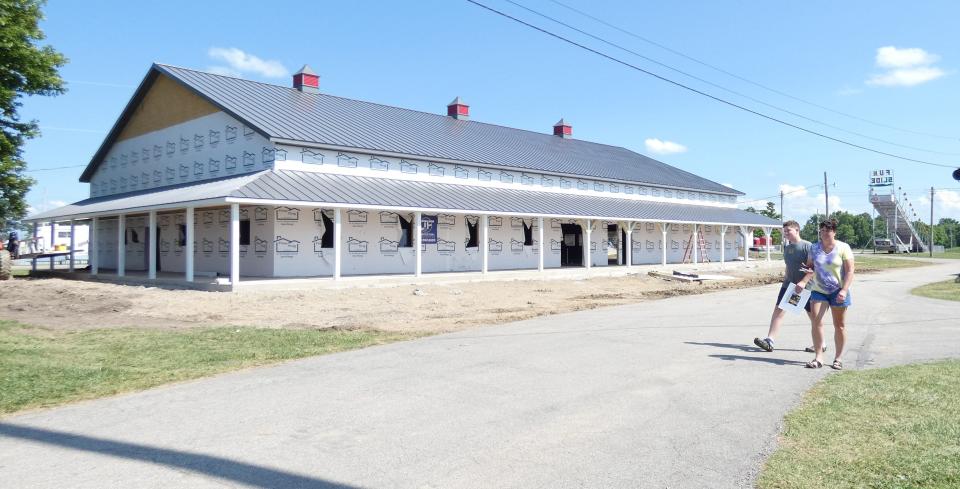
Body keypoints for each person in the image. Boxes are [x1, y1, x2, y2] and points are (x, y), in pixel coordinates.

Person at [800, 219, 855, 370]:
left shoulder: (843, 247)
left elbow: (850, 271)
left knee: (840, 325)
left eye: (827, 231)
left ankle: (838, 358)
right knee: (816, 322)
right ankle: (818, 358)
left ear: (834, 232)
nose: (824, 233)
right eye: (822, 231)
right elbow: (809, 268)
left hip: (838, 291)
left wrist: (844, 290)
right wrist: (804, 281)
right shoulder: (814, 247)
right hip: (818, 290)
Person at [753, 221, 816, 352]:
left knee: (812, 316)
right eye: (785, 231)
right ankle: (769, 340)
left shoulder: (807, 246)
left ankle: (820, 344)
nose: (786, 233)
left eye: (789, 230)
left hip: (805, 288)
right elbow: (789, 266)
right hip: (789, 286)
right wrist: (785, 282)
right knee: (779, 311)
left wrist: (804, 282)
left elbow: (813, 268)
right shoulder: (787, 248)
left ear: (797, 230)